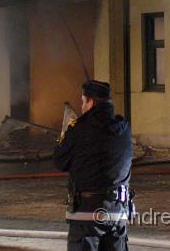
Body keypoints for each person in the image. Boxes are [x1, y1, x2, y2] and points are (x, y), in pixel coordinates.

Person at [53, 80, 133, 251]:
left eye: (83, 102)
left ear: (91, 102)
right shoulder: (124, 128)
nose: (82, 107)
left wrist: (65, 135)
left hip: (86, 216)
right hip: (118, 213)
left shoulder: (78, 129)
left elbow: (59, 161)